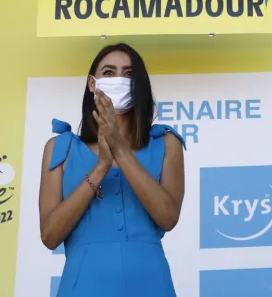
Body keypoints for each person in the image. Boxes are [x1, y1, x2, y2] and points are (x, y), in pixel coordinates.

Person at [38, 43, 185, 297]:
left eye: (129, 74)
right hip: (83, 288)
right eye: (109, 72)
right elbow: (50, 236)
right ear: (92, 83)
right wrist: (101, 167)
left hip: (151, 285)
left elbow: (168, 217)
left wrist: (119, 149)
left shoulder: (166, 143)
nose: (119, 79)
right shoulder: (60, 148)